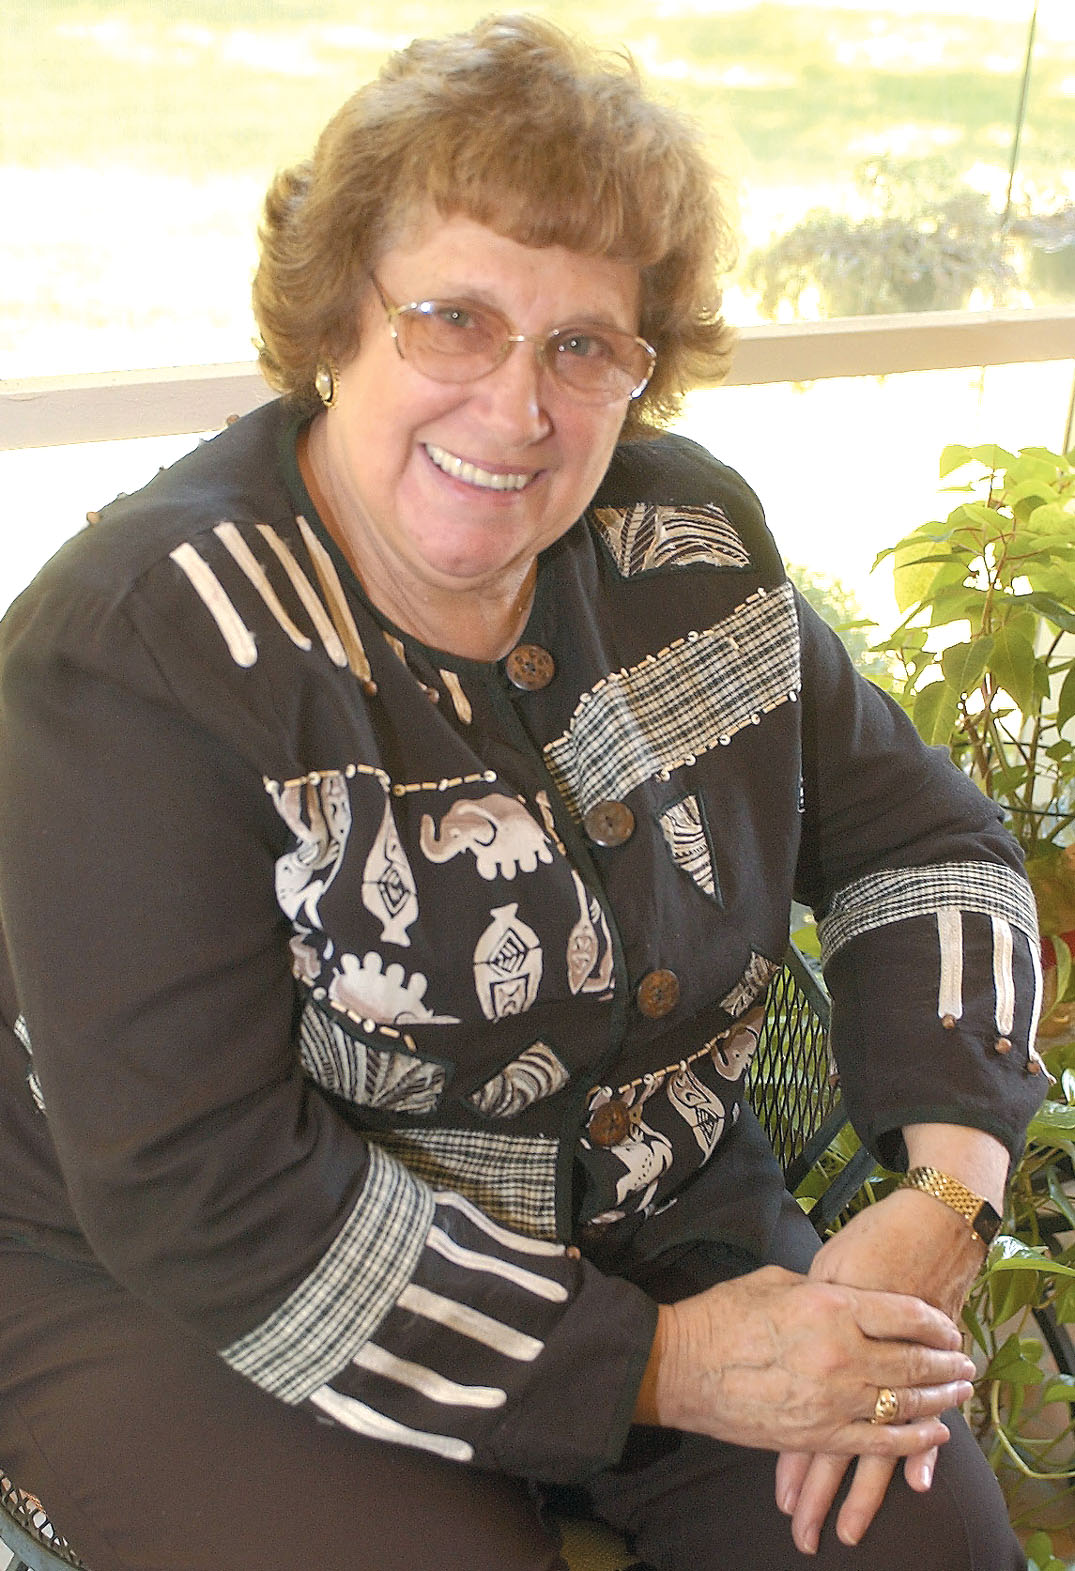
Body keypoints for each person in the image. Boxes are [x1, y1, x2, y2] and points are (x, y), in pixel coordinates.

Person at [0, 16, 1045, 1571]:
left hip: (652, 1222)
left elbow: (927, 841)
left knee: (913, 1550)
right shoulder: (148, 647)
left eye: (583, 345)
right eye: (454, 321)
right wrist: (672, 1367)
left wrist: (944, 1202)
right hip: (192, 1291)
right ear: (339, 316)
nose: (517, 408)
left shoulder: (688, 552)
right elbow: (199, 1186)